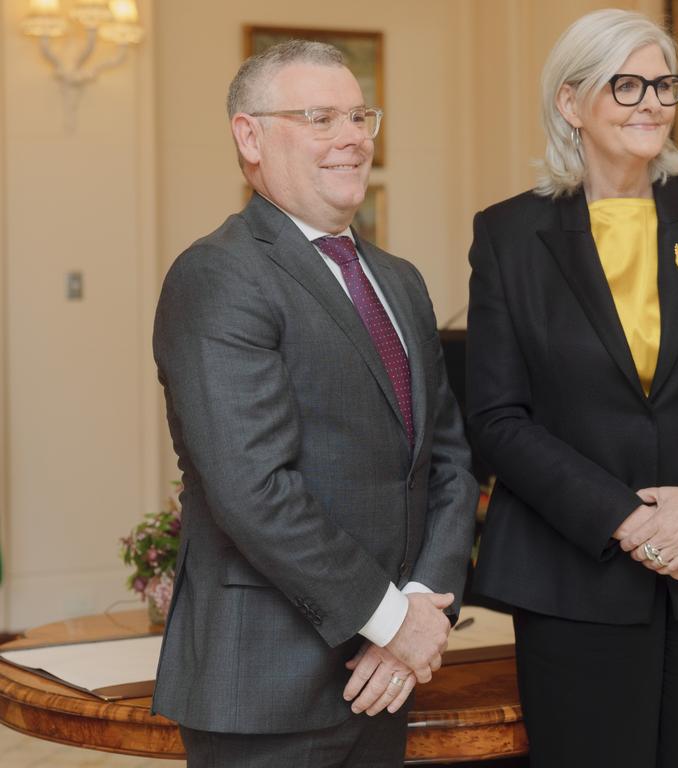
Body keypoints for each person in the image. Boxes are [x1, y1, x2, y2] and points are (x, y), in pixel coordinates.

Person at [466, 9, 678, 767]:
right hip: (573, 576)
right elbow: (497, 418)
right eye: (626, 85)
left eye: (664, 83)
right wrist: (632, 521)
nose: (652, 102)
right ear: (570, 103)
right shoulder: (508, 237)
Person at [151, 40, 478, 767]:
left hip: (388, 678)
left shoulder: (399, 280)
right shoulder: (219, 276)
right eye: (320, 117)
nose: (353, 137)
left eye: (361, 115)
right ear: (250, 136)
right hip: (267, 688)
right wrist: (395, 621)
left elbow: (448, 459)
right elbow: (253, 490)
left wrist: (425, 605)